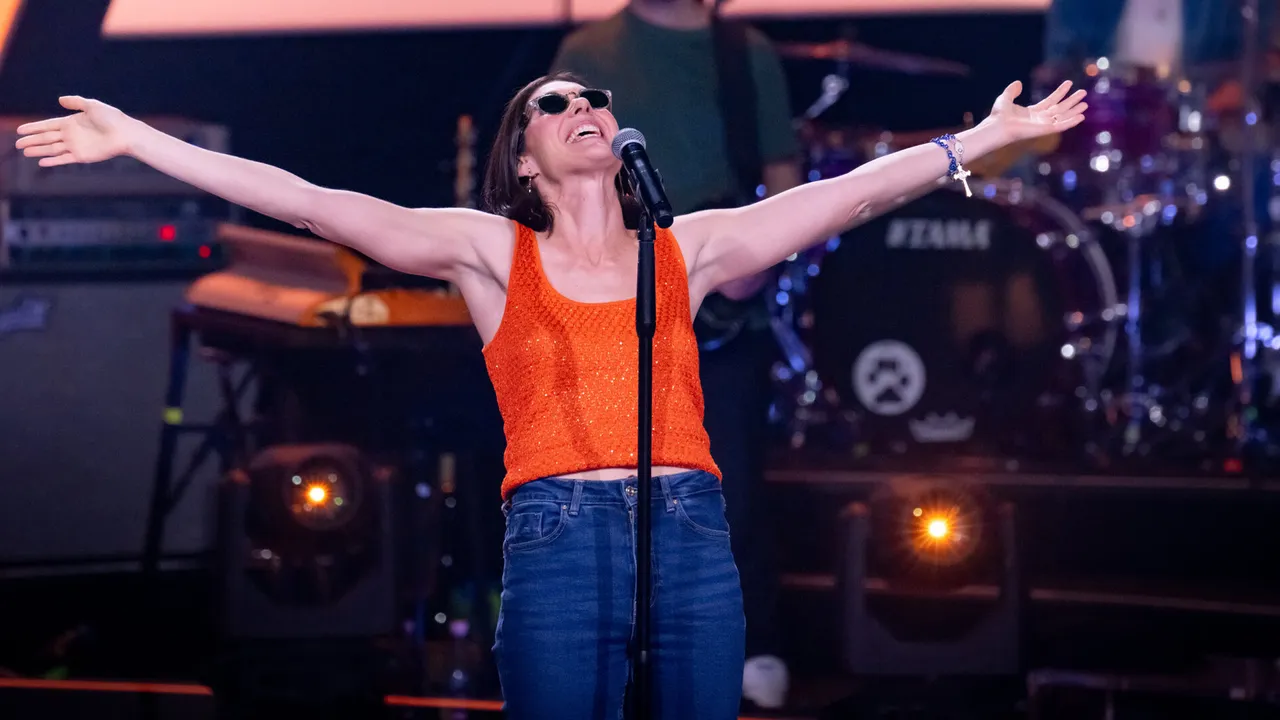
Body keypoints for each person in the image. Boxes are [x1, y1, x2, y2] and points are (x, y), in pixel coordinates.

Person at [15, 75, 1087, 719]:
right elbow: (311, 204)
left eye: (594, 101)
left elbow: (843, 195)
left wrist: (978, 143)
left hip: (687, 531)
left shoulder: (688, 247)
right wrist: (141, 143)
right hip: (558, 536)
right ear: (524, 161)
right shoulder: (490, 252)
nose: (585, 109)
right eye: (555, 104)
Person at [548, 0, 802, 707]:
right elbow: (557, 175)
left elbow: (783, 170)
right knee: (609, 482)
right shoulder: (588, 51)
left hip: (723, 310)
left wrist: (759, 258)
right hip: (618, 301)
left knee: (729, 482)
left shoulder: (745, 51)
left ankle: (750, 645)